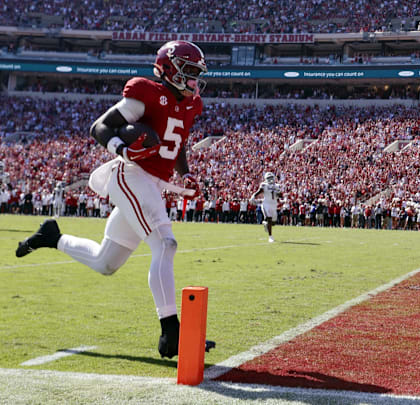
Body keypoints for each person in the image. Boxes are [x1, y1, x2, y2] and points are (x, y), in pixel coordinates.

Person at [15, 40, 207, 359]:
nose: (194, 80)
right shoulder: (146, 92)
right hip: (130, 173)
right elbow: (100, 127)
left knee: (106, 262)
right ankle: (171, 331)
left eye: (197, 73)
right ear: (170, 69)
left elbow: (179, 141)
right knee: (165, 244)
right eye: (189, 72)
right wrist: (123, 149)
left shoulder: (191, 104)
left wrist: (184, 174)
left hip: (152, 183)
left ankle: (53, 237)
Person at [252, 172, 282, 243]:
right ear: (266, 179)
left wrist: (278, 193)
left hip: (274, 204)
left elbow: (280, 195)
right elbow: (260, 191)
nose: (270, 180)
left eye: (271, 178)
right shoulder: (264, 185)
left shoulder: (277, 186)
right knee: (269, 219)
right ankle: (270, 237)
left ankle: (266, 223)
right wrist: (253, 196)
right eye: (269, 178)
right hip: (266, 204)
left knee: (273, 223)